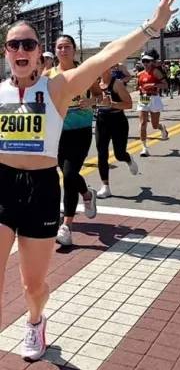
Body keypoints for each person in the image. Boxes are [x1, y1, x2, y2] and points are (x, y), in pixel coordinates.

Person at [0, 0, 177, 361]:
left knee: (32, 286)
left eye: (28, 44)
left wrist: (152, 26)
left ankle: (35, 322)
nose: (21, 50)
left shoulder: (58, 88)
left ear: (38, 54)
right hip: (2, 187)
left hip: (42, 189)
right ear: (6, 52)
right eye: (14, 44)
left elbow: (107, 55)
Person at [47, 35, 102, 246]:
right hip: (57, 133)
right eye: (59, 47)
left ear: (74, 49)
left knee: (69, 175)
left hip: (80, 131)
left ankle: (67, 227)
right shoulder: (48, 76)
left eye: (67, 46)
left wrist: (92, 101)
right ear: (55, 51)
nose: (63, 50)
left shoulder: (85, 74)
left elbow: (101, 96)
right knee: (66, 173)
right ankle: (87, 194)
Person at [94, 65, 139, 198]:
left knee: (119, 154)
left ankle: (128, 159)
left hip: (118, 120)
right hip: (101, 121)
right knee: (102, 153)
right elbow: (93, 101)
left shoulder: (117, 84)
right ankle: (105, 186)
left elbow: (128, 104)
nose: (104, 70)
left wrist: (111, 104)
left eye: (107, 67)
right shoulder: (95, 84)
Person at [136, 54, 169, 157]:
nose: (145, 63)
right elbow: (139, 86)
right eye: (143, 61)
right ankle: (144, 148)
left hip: (154, 98)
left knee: (155, 125)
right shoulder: (139, 74)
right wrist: (140, 89)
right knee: (142, 124)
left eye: (147, 61)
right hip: (143, 99)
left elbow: (165, 85)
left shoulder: (155, 72)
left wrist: (153, 85)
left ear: (151, 62)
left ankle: (162, 128)